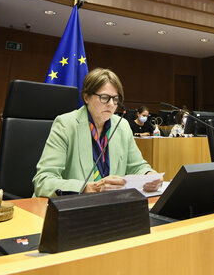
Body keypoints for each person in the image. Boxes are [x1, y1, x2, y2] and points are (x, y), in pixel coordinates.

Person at [33, 68, 163, 196]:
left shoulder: (122, 125)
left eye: (115, 99)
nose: (111, 104)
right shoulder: (66, 124)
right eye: (104, 97)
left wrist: (150, 176)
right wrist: (89, 188)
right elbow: (44, 180)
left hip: (111, 206)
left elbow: (137, 166)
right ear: (86, 98)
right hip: (73, 207)